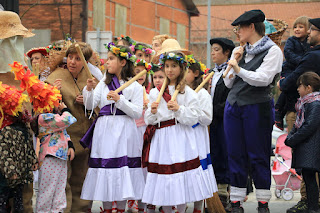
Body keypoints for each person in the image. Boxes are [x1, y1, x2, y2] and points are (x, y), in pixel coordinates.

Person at [223, 10, 283, 212]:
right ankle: (236, 200)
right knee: (234, 153)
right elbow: (228, 83)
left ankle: (263, 201)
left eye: (240, 28)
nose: (238, 32)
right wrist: (233, 66)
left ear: (251, 27)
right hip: (234, 106)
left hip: (257, 107)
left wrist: (239, 69)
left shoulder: (273, 51)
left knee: (258, 154)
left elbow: (264, 79)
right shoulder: (238, 50)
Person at [142, 51, 211, 213]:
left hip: (180, 136)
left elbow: (194, 117)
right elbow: (148, 120)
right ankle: (167, 209)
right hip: (161, 138)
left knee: (180, 177)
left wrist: (179, 109)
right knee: (164, 178)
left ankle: (180, 209)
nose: (169, 70)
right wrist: (151, 112)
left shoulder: (188, 93)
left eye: (173, 66)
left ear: (181, 68)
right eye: (166, 66)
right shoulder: (154, 92)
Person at [80, 43, 144, 213]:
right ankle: (107, 208)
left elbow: (137, 113)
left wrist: (120, 100)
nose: (106, 62)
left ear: (123, 62)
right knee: (105, 168)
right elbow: (90, 105)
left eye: (111, 59)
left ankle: (121, 208)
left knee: (123, 169)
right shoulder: (102, 83)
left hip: (124, 130)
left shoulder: (135, 86)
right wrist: (88, 89)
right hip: (105, 129)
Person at [45, 42, 97, 212]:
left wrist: (88, 101)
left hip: (85, 140)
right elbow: (44, 109)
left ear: (85, 62)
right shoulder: (56, 77)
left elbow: (101, 107)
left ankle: (80, 210)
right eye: (70, 57)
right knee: (63, 182)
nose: (73, 62)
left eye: (78, 58)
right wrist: (52, 94)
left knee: (81, 180)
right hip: (64, 140)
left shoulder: (91, 78)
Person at [278, 18, 320, 213]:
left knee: (308, 165)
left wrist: (282, 84)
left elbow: (295, 77)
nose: (309, 33)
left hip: (305, 117)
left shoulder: (312, 57)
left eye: (312, 30)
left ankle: (309, 202)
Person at [0, 10, 35, 212]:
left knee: (21, 193)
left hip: (20, 141)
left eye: (17, 39)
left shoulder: (23, 72)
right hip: (4, 142)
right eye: (10, 39)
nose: (15, 43)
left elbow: (31, 109)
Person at [185, 55, 218, 213]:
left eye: (187, 70)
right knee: (183, 173)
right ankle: (181, 205)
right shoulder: (180, 92)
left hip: (197, 136)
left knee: (198, 173)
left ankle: (198, 208)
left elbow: (207, 119)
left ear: (196, 73)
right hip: (183, 137)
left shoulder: (202, 94)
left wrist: (193, 112)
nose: (183, 73)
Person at [285, 72, 320, 213]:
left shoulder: (315, 104)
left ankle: (313, 208)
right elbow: (298, 125)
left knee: (311, 180)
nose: (298, 89)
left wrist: (293, 139)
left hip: (312, 147)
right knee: (309, 178)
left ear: (309, 87)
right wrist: (291, 136)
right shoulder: (304, 103)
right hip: (308, 148)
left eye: (300, 86)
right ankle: (312, 207)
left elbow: (309, 125)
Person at [0, 82, 38, 213]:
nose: (23, 108)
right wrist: (11, 172)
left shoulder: (23, 126)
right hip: (9, 175)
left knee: (19, 203)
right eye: (19, 105)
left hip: (21, 173)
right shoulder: (6, 130)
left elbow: (29, 147)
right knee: (3, 201)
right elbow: (4, 154)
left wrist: (33, 160)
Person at [33, 102, 76, 212]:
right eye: (57, 101)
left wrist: (70, 145)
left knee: (60, 191)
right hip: (50, 157)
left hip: (61, 157)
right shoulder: (43, 117)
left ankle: (58, 210)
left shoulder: (55, 117)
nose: (60, 104)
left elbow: (63, 132)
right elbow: (66, 120)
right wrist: (65, 110)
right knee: (47, 191)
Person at [208, 37, 235, 211]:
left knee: (223, 153)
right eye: (212, 49)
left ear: (227, 53)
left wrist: (213, 110)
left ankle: (224, 193)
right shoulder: (211, 73)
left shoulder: (231, 72)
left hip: (223, 120)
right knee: (212, 153)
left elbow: (229, 99)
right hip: (210, 120)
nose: (212, 53)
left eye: (217, 49)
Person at [275, 16, 311, 131]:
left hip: (301, 71)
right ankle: (278, 111)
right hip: (290, 68)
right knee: (287, 85)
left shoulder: (309, 43)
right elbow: (288, 53)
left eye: (301, 27)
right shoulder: (291, 41)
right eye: (295, 27)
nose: (297, 29)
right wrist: (302, 61)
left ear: (308, 29)